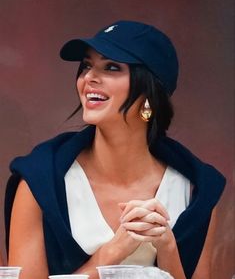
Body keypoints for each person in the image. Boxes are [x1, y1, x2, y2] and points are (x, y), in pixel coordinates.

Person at [5, 20, 226, 279]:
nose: (89, 78)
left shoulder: (196, 191)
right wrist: (112, 253)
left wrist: (167, 247)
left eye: (111, 67)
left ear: (149, 93)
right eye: (87, 66)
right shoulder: (40, 181)